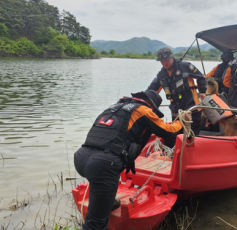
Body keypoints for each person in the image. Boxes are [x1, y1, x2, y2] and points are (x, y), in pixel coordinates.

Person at [74, 90, 191, 230]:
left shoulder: (115, 107)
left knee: (100, 183)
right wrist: (181, 121)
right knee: (96, 224)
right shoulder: (143, 111)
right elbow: (168, 130)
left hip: (81, 157)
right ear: (152, 106)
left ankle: (107, 202)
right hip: (103, 164)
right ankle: (100, 211)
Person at [148, 47, 206, 135]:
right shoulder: (161, 75)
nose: (164, 63)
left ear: (172, 57)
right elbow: (151, 91)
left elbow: (201, 77)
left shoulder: (185, 66)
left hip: (192, 109)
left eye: (166, 60)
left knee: (192, 136)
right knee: (177, 137)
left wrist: (202, 92)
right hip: (176, 112)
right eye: (162, 61)